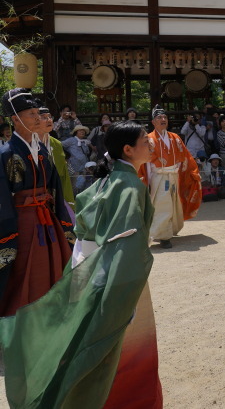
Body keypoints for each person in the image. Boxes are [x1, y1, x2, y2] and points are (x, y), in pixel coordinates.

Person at [0, 120, 164, 408]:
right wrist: (121, 293)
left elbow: (85, 231)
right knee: (115, 348)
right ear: (128, 150)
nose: (150, 144)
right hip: (116, 275)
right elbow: (124, 247)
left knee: (82, 342)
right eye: (144, 141)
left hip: (88, 270)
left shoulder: (105, 180)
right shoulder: (129, 186)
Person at [0, 89, 74, 316]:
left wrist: (62, 220)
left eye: (36, 113)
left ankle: (49, 318)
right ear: (15, 119)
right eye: (30, 113)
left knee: (51, 267)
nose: (37, 117)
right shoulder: (6, 153)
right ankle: (20, 321)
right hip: (20, 222)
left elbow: (55, 189)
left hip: (46, 219)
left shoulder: (42, 149)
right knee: (23, 271)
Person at [139, 106, 202, 249]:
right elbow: (144, 162)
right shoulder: (148, 139)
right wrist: (146, 180)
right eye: (159, 118)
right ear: (153, 122)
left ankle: (168, 230)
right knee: (162, 205)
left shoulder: (175, 138)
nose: (163, 120)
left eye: (165, 118)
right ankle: (163, 236)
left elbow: (186, 157)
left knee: (174, 204)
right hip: (158, 176)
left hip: (174, 175)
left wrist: (191, 171)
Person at [35, 105, 76, 215]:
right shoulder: (28, 144)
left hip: (57, 196)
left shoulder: (57, 144)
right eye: (43, 117)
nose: (48, 120)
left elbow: (64, 176)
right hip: (36, 199)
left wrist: (69, 201)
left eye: (49, 117)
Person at [62, 124, 93, 192]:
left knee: (82, 185)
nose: (82, 132)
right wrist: (65, 156)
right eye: (80, 131)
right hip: (74, 167)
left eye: (83, 131)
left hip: (84, 167)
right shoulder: (71, 140)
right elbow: (60, 144)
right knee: (74, 185)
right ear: (76, 132)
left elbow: (87, 153)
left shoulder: (84, 142)